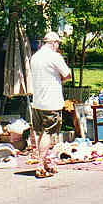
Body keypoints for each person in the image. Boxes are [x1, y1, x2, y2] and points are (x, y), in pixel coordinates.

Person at [30, 31, 71, 178]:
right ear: (54, 42)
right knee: (48, 133)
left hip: (37, 101)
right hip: (51, 101)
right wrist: (59, 79)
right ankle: (41, 164)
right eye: (58, 43)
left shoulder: (35, 57)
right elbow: (67, 75)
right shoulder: (54, 57)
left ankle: (45, 163)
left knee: (41, 132)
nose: (58, 46)